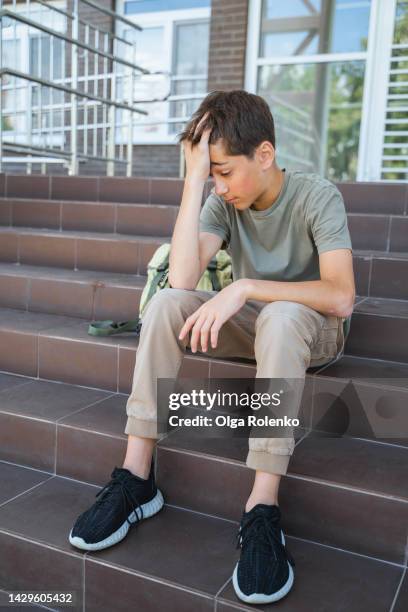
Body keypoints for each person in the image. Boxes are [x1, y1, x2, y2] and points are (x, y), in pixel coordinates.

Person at [69, 90, 355, 605]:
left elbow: (340, 295)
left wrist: (242, 288)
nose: (219, 186)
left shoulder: (317, 195)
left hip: (311, 330)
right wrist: (194, 178)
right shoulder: (222, 200)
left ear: (264, 155)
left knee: (283, 315)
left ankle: (262, 507)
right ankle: (138, 477)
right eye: (211, 174)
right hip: (257, 326)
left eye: (224, 171)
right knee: (164, 305)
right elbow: (180, 279)